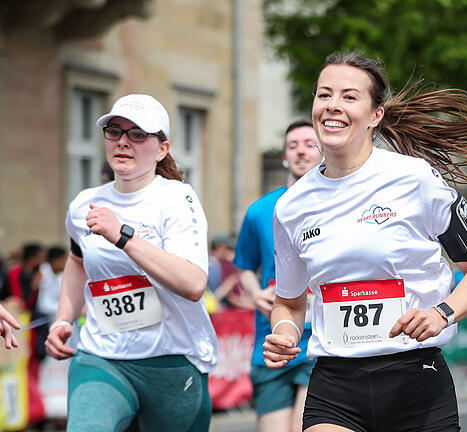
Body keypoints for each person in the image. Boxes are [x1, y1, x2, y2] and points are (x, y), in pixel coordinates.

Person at [263, 52, 467, 432]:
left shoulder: (415, 179)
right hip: (335, 386)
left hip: (414, 380)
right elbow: (288, 302)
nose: (333, 106)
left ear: (376, 115)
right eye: (324, 95)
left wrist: (442, 312)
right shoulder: (291, 206)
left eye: (349, 96)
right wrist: (285, 333)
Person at [44, 94, 216, 431]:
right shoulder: (84, 205)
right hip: (101, 357)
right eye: (114, 131)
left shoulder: (177, 199)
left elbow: (194, 284)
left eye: (138, 134)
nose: (123, 141)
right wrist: (62, 320)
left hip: (172, 362)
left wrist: (122, 236)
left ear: (162, 148)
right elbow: (77, 261)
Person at [234, 120, 324, 432]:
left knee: (306, 425)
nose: (301, 151)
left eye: (309, 144)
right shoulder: (260, 211)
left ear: (323, 150)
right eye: (293, 146)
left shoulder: (337, 204)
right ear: (284, 156)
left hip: (321, 340)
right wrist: (255, 293)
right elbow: (244, 264)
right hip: (272, 341)